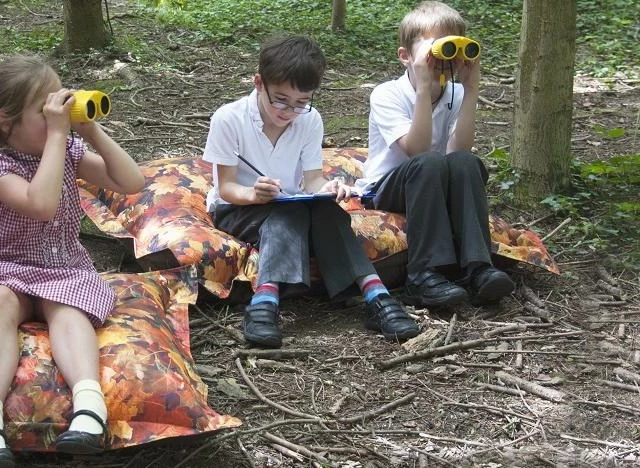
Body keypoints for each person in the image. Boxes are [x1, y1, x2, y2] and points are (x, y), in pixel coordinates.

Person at [0, 55, 144, 467]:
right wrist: (60, 137)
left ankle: (89, 408)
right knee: (0, 302)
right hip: (7, 267)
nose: (59, 114)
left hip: (64, 268)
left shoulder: (69, 147)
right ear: (5, 121)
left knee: (67, 303)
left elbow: (132, 182)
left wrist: (90, 129)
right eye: (46, 110)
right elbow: (39, 204)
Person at [202, 35, 419, 348]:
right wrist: (254, 194)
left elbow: (312, 181)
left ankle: (377, 297)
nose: (289, 110)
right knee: (284, 216)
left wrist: (329, 187)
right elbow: (227, 187)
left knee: (326, 210)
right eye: (280, 99)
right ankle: (264, 304)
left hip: (291, 203)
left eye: (301, 102)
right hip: (237, 207)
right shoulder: (229, 119)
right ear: (259, 83)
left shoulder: (310, 120)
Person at [357, 1, 515, 308]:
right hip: (389, 188)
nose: (446, 59)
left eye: (454, 49)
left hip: (435, 183)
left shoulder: (454, 93)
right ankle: (424, 275)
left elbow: (459, 153)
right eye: (436, 49)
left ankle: (478, 268)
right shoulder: (387, 94)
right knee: (429, 161)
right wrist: (423, 91)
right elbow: (417, 150)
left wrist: (470, 91)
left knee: (465, 162)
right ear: (406, 57)